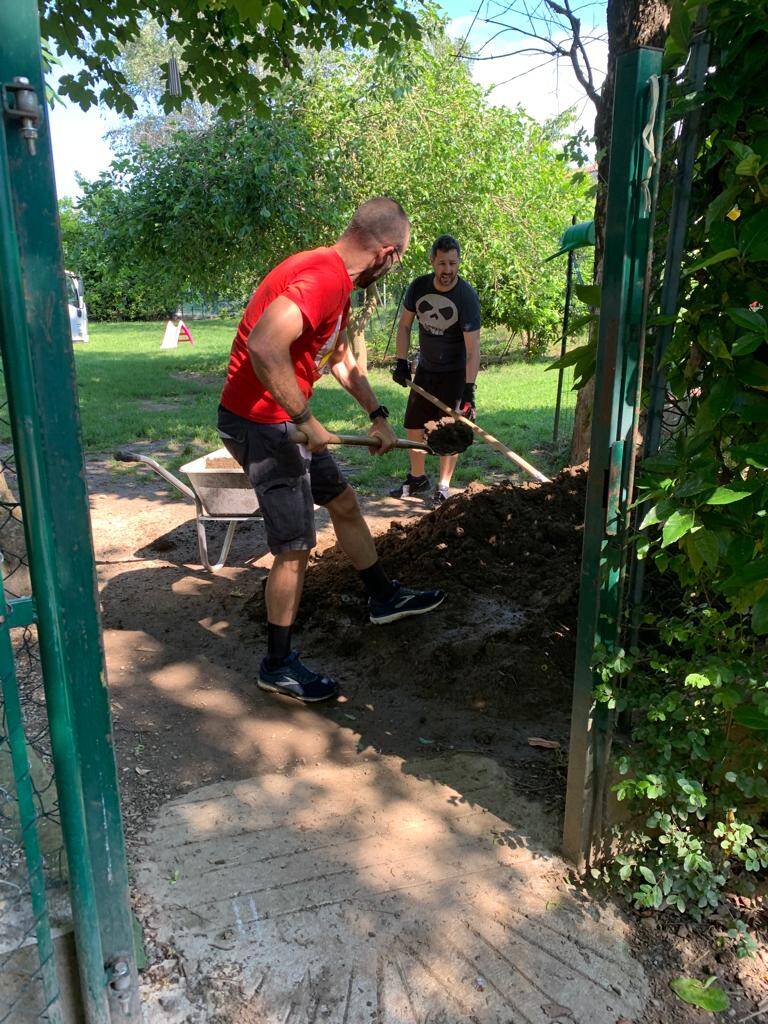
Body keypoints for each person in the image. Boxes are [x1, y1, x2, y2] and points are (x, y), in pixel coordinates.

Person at [217, 198, 445, 704]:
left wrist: (378, 415)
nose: (394, 267)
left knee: (343, 502)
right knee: (295, 545)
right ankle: (277, 665)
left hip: (282, 419)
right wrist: (305, 419)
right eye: (399, 258)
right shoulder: (322, 277)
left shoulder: (335, 279)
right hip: (262, 424)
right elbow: (263, 346)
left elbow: (339, 359)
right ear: (387, 252)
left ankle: (384, 597)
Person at [390, 234, 481, 503]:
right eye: (442, 264)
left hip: (455, 372)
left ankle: (443, 486)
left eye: (453, 263)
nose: (448, 270)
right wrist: (401, 361)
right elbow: (405, 325)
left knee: (449, 430)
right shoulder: (418, 288)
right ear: (432, 261)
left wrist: (468, 389)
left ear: (459, 262)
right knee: (413, 425)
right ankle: (418, 479)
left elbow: (474, 349)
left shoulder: (465, 297)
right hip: (427, 370)